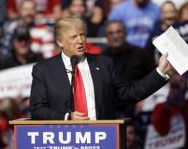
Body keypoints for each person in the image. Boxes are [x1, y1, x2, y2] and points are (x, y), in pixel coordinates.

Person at [30, 17, 172, 120]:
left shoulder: (104, 64)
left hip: (101, 143)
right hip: (64, 146)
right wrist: (67, 117)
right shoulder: (43, 70)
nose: (80, 41)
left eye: (82, 35)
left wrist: (160, 72)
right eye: (73, 37)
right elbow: (37, 110)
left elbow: (130, 92)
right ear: (60, 42)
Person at [104, 20, 154, 117]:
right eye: (111, 33)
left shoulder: (141, 54)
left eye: (119, 32)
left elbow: (153, 77)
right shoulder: (102, 58)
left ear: (125, 33)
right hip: (112, 110)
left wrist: (146, 99)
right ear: (107, 37)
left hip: (139, 109)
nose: (115, 36)